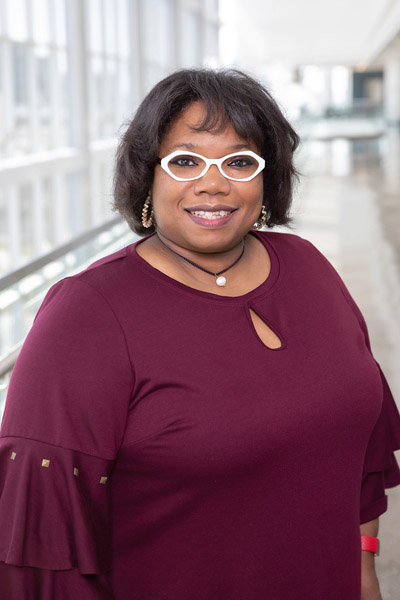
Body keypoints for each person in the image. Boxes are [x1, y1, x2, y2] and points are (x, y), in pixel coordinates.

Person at [0, 68, 399, 600]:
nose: (213, 184)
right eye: (186, 160)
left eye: (239, 161)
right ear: (148, 176)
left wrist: (364, 569)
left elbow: (361, 449)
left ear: (266, 177)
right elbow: (43, 543)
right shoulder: (87, 315)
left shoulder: (308, 266)